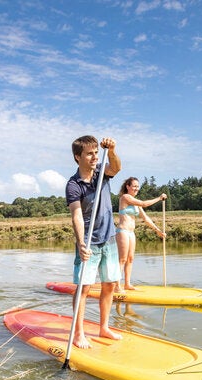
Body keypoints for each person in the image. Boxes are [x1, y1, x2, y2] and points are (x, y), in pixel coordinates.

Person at [66, 135, 122, 349]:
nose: (94, 157)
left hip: (109, 238)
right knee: (84, 289)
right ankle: (78, 333)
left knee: (109, 285)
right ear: (77, 157)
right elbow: (77, 215)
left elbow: (115, 168)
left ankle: (104, 327)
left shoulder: (101, 174)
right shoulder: (73, 185)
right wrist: (81, 243)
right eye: (89, 154)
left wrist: (113, 150)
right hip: (89, 243)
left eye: (96, 153)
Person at [115, 177, 167, 292]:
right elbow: (144, 203)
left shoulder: (136, 203)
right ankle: (117, 286)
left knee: (130, 259)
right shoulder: (125, 197)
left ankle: (127, 284)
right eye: (134, 186)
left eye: (137, 186)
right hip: (122, 231)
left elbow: (146, 219)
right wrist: (159, 198)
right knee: (122, 259)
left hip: (131, 233)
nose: (136, 188)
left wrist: (157, 230)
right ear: (128, 186)